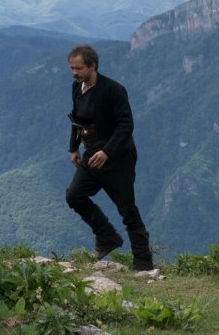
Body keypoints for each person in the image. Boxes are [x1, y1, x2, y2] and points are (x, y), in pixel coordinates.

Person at [65, 44, 154, 271]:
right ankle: (107, 237)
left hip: (117, 158)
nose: (74, 73)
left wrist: (107, 152)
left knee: (127, 210)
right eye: (72, 68)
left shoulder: (113, 90)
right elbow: (77, 120)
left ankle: (143, 263)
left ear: (92, 65)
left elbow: (126, 126)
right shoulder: (77, 88)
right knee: (74, 195)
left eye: (79, 68)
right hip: (91, 155)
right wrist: (73, 148)